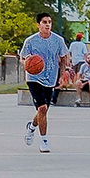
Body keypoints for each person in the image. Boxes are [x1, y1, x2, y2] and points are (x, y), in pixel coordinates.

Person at [19, 14, 69, 152]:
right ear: (38, 25)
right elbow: (22, 58)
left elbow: (64, 58)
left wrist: (62, 75)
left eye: (49, 22)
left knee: (43, 110)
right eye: (44, 22)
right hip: (34, 78)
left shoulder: (58, 40)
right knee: (42, 108)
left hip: (50, 78)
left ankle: (31, 127)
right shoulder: (31, 41)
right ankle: (44, 140)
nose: (47, 24)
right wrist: (27, 63)